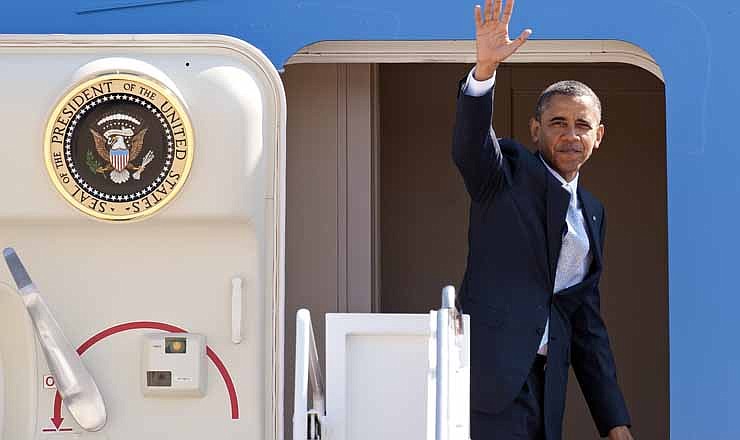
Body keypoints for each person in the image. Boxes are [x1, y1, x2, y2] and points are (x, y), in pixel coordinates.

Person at [452, 0, 634, 438]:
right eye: (557, 122)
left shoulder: (592, 211)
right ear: (536, 130)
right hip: (488, 384)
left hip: (546, 385)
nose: (571, 135)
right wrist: (484, 72)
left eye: (582, 125)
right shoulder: (506, 173)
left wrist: (614, 421)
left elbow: (584, 320)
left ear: (599, 135)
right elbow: (469, 146)